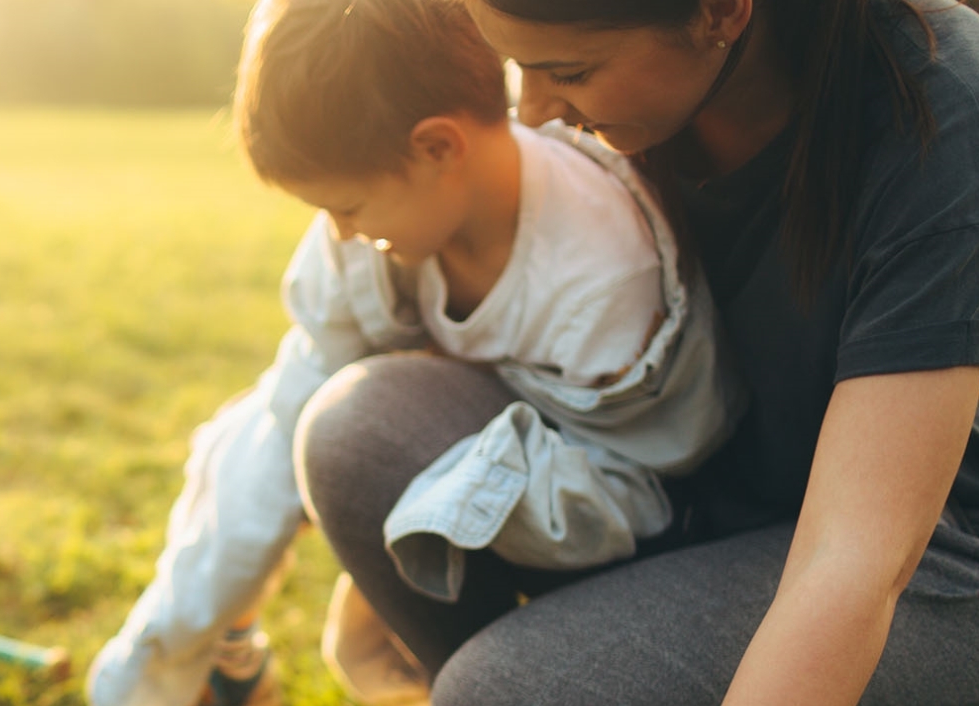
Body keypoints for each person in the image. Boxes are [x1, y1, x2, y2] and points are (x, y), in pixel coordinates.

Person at [301, 0, 979, 701]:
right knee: (358, 434)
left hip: (923, 552)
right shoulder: (624, 112)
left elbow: (857, 559)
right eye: (515, 68)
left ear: (721, 11)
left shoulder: (937, 109)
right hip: (690, 492)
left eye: (569, 71)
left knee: (503, 690)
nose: (530, 113)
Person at [84, 0, 743, 703]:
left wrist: (408, 509)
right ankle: (178, 661)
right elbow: (290, 409)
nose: (337, 233)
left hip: (642, 536)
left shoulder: (600, 277)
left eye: (348, 207)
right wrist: (165, 643)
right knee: (252, 437)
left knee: (364, 432)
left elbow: (638, 501)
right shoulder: (385, 234)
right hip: (497, 461)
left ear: (437, 150)